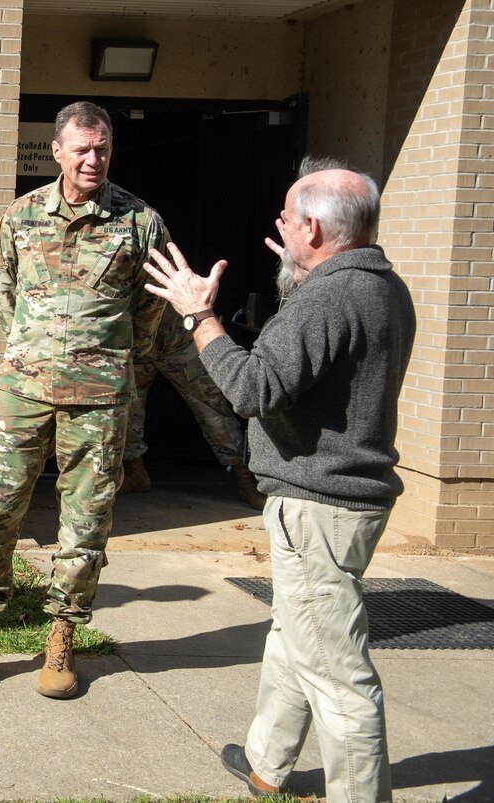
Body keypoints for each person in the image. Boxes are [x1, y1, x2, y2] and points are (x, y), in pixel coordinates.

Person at [143, 156, 415, 802]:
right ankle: (268, 765)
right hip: (342, 499)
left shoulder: (331, 295)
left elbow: (252, 387)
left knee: (337, 673)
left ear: (315, 230)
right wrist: (299, 276)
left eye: (289, 218)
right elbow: (317, 367)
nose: (280, 224)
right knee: (296, 638)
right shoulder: (380, 284)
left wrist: (198, 316)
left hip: (320, 504)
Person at [0, 101, 168, 699]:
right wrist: (35, 354)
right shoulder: (19, 218)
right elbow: (5, 293)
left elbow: (151, 309)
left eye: (103, 149)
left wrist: (111, 362)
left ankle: (61, 638)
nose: (94, 159)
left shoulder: (141, 222)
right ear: (58, 152)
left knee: (84, 524)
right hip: (24, 393)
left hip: (98, 403)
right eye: (83, 149)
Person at [118, 303, 266, 509]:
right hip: (132, 341)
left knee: (212, 408)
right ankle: (134, 472)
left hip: (175, 336)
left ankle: (246, 478)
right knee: (126, 408)